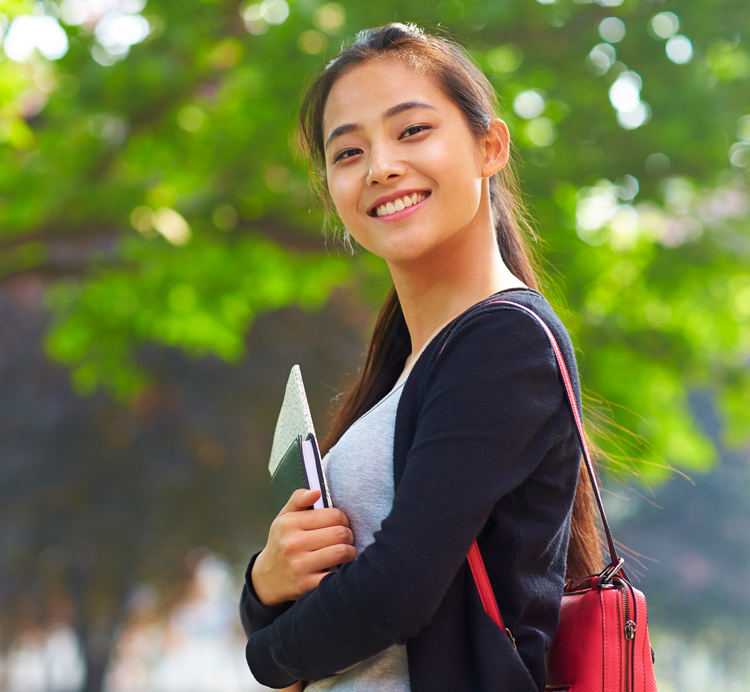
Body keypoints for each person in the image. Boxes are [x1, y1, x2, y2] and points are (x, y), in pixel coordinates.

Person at [239, 23, 603, 692]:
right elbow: (344, 587)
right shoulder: (409, 363)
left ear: (488, 146)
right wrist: (264, 581)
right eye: (346, 152)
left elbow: (394, 592)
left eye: (411, 131)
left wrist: (263, 658)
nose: (379, 166)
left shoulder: (504, 344)